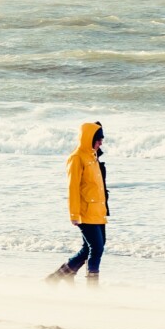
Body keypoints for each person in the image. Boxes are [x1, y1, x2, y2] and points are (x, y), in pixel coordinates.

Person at [47, 121, 108, 284]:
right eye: (99, 139)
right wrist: (74, 214)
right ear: (90, 138)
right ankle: (92, 287)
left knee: (89, 249)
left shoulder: (93, 156)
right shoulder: (76, 157)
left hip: (98, 211)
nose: (101, 142)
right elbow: (72, 187)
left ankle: (58, 276)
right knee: (97, 248)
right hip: (84, 212)